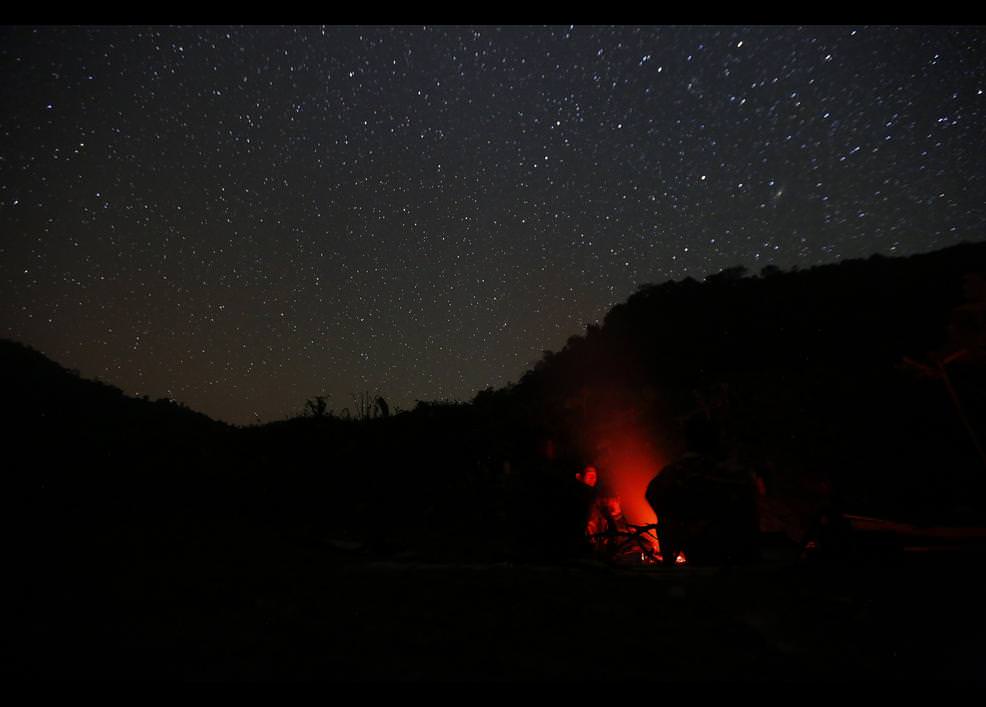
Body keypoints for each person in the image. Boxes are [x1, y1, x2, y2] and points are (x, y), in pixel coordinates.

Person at [646, 415, 759, 565]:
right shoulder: (736, 474)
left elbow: (652, 495)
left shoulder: (673, 473)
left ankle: (669, 565)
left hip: (698, 556)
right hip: (736, 561)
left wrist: (678, 524)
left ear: (687, 441)